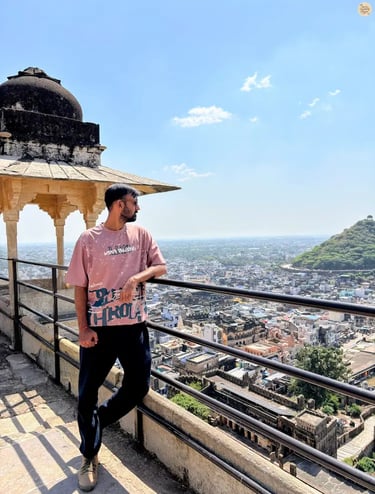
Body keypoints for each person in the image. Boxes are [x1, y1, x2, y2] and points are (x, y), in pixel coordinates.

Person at [65, 183, 167, 492]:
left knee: (137, 385)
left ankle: (98, 422)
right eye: (133, 202)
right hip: (100, 329)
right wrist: (83, 328)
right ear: (119, 205)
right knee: (86, 394)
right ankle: (89, 454)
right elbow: (79, 286)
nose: (138, 208)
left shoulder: (142, 235)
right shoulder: (88, 240)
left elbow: (160, 266)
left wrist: (136, 277)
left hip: (133, 325)